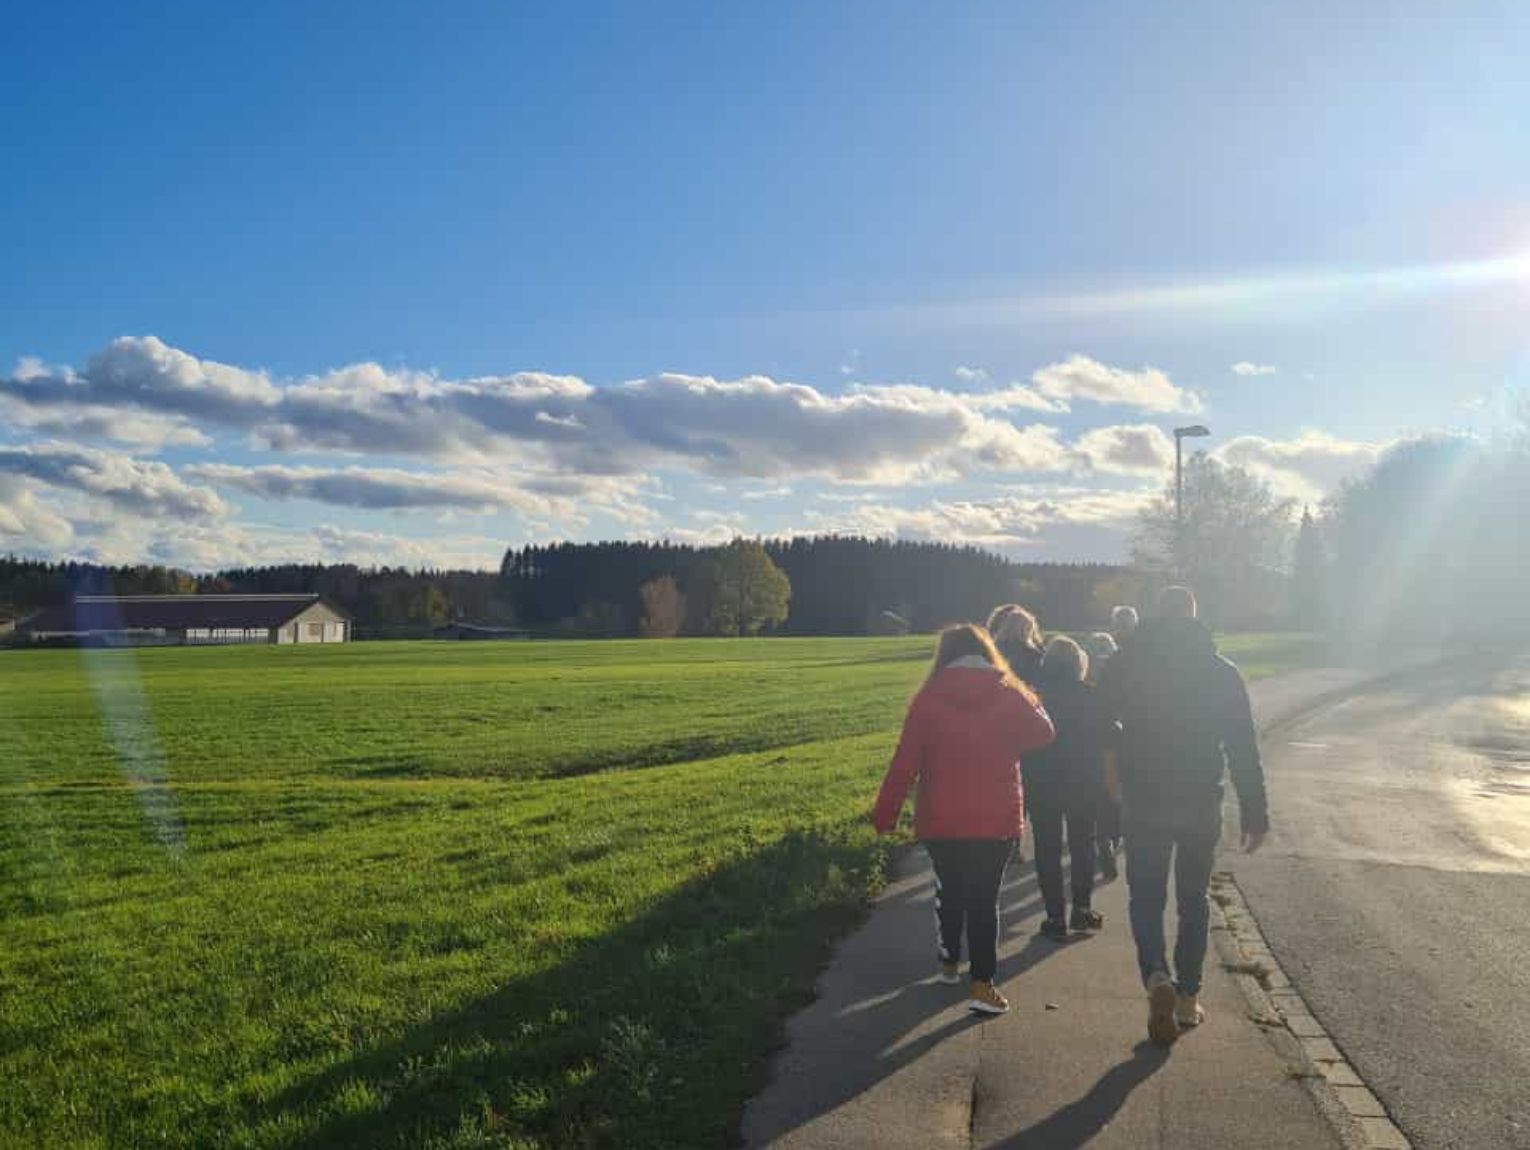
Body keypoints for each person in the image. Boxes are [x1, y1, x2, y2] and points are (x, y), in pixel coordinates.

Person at [1099, 586, 1268, 1046]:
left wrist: (1113, 773)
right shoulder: (1220, 672)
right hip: (1199, 797)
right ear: (1195, 617)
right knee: (1194, 898)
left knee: (1146, 896)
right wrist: (1255, 812)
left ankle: (1156, 974)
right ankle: (1189, 997)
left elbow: (1099, 721)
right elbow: (1242, 746)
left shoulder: (1128, 664)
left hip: (1144, 795)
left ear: (1155, 616)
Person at [872, 624, 1055, 1015]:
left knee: (950, 890)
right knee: (984, 900)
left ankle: (949, 961)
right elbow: (1044, 733)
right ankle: (983, 984)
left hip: (942, 816)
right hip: (997, 815)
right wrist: (1024, 705)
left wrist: (886, 814)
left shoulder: (928, 698)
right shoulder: (1009, 693)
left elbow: (905, 762)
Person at [1024, 636, 1113, 940]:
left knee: (1046, 848)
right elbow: (1110, 734)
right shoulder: (1092, 695)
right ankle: (1082, 908)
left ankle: (1054, 915)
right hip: (1082, 779)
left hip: (1042, 780)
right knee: (1082, 844)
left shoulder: (1034, 697)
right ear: (1079, 664)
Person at [1083, 631, 1124, 881]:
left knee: (1095, 800)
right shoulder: (1117, 676)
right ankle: (1110, 838)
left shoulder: (1083, 678)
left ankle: (1101, 839)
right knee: (1113, 798)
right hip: (1114, 743)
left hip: (1088, 747)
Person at [987, 604, 1045, 688]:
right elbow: (1035, 679)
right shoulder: (1033, 653)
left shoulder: (992, 647)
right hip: (1021, 691)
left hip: (996, 688)